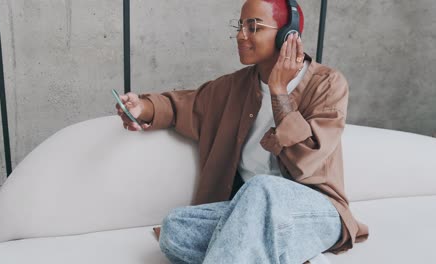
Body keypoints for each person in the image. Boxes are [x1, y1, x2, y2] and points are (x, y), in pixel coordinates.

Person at [116, 0, 368, 263]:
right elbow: (183, 105)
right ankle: (284, 254)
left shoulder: (328, 84)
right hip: (251, 214)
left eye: (253, 27)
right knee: (175, 227)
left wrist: (279, 92)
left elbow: (307, 159)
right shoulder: (233, 87)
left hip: (316, 212)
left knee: (262, 188)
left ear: (287, 36)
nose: (240, 35)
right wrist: (141, 107)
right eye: (240, 26)